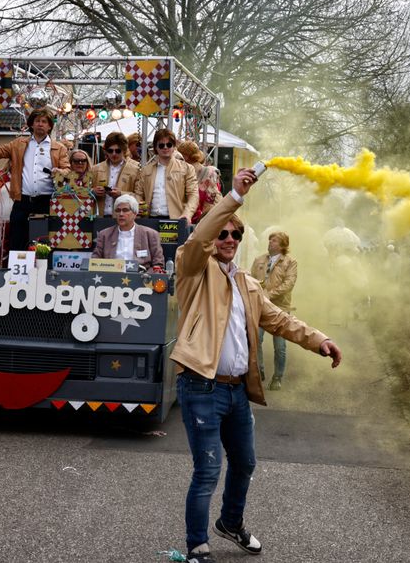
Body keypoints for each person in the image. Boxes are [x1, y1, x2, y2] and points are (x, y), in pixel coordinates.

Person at [171, 168, 341, 563]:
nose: (229, 239)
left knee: (245, 463)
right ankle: (197, 545)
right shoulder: (192, 269)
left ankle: (230, 523)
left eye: (236, 234)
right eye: (223, 233)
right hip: (201, 386)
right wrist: (234, 196)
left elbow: (280, 320)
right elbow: (199, 237)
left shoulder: (247, 283)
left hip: (235, 391)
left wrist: (320, 340)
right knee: (207, 470)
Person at [0, 107, 70, 254]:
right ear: (31, 124)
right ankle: (18, 268)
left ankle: (43, 268)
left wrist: (60, 172)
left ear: (49, 126)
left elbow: (67, 170)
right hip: (22, 200)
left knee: (44, 243)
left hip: (47, 201)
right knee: (17, 242)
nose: (40, 124)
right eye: (37, 121)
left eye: (44, 121)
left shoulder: (58, 148)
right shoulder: (18, 144)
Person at [249, 231, 298, 390]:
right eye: (270, 240)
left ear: (283, 245)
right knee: (255, 339)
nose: (270, 242)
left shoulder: (290, 262)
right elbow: (251, 279)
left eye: (274, 240)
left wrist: (269, 295)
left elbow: (289, 284)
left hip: (280, 308)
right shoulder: (259, 259)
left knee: (280, 346)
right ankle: (260, 370)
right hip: (260, 305)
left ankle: (277, 377)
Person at [134, 129, 198, 220]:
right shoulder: (146, 170)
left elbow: (193, 194)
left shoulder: (187, 169)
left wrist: (187, 213)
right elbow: (138, 193)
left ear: (174, 147)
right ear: (156, 148)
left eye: (169, 145)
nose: (165, 147)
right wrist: (139, 206)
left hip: (176, 219)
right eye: (161, 145)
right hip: (150, 219)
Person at [91, 195, 165, 270]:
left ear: (135, 213)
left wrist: (145, 276)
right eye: (118, 210)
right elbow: (94, 263)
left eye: (125, 210)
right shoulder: (104, 235)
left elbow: (158, 265)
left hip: (142, 276)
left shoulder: (150, 234)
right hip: (111, 275)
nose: (121, 214)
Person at [92, 132, 140, 217]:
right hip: (99, 216)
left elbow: (139, 196)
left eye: (118, 151)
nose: (114, 154)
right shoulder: (95, 169)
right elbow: (83, 192)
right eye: (110, 151)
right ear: (106, 151)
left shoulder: (135, 170)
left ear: (124, 150)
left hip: (123, 217)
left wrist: (121, 194)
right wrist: (93, 191)